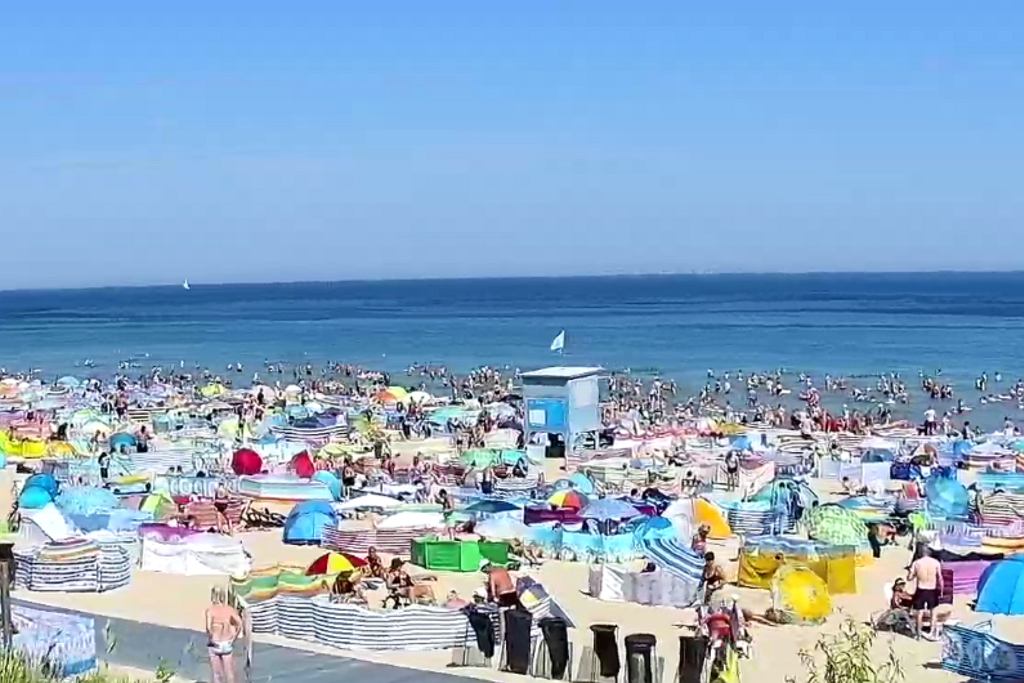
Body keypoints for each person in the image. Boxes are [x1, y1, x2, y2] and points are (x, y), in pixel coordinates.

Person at [205, 586, 243, 683]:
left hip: (215, 642)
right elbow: (239, 623)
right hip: (227, 642)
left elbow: (208, 628)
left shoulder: (210, 610)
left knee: (217, 674)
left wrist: (211, 637)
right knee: (229, 672)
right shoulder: (229, 610)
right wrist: (234, 637)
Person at [908, 546, 943, 639]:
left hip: (921, 589)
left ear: (921, 553)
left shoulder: (916, 563)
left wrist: (915, 574)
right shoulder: (936, 562)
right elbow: (940, 578)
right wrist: (942, 590)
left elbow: (909, 578)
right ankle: (932, 632)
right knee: (933, 612)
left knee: (919, 613)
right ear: (929, 553)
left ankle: (918, 634)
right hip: (932, 589)